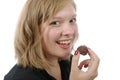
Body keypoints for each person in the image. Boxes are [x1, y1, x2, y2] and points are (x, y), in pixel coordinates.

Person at [4, 0, 100, 80]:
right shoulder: (19, 78)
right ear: (33, 30)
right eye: (55, 22)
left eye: (72, 20)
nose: (69, 31)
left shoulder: (68, 64)